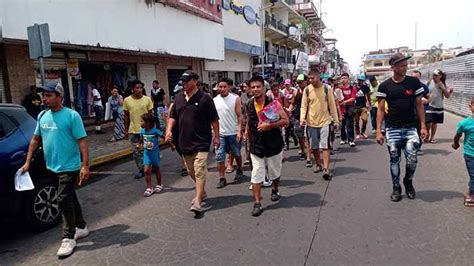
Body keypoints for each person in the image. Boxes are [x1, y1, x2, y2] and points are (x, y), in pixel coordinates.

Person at [20, 82, 90, 258]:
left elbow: (82, 141)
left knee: (62, 199)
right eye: (43, 95)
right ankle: (81, 226)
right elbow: (35, 140)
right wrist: (27, 161)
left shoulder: (72, 116)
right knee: (69, 197)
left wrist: (85, 165)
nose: (44, 98)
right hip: (51, 166)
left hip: (70, 166)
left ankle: (68, 237)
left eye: (49, 95)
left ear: (60, 97)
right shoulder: (42, 116)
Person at [165, 70, 220, 215]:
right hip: (183, 141)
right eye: (182, 81)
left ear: (195, 81)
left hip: (201, 141)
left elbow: (214, 119)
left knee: (199, 169)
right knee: (191, 171)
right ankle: (202, 192)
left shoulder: (205, 98)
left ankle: (197, 200)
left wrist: (217, 136)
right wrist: (168, 131)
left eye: (187, 81)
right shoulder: (178, 98)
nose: (184, 84)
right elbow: (172, 117)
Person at [376, 53, 428, 202]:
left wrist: (423, 126)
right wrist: (379, 131)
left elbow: (419, 105)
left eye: (406, 65)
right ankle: (396, 187)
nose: (405, 67)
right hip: (392, 129)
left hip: (411, 128)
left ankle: (408, 181)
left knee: (412, 159)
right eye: (402, 65)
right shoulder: (385, 86)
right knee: (394, 160)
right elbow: (380, 110)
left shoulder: (414, 83)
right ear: (393, 67)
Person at [246, 75, 288, 217]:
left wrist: (269, 126)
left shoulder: (274, 104)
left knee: (274, 172)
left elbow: (285, 120)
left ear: (264, 88)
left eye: (258, 86)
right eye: (253, 87)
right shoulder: (249, 104)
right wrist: (246, 136)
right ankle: (257, 203)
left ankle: (275, 190)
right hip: (256, 145)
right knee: (256, 174)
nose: (256, 89)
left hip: (273, 144)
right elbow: (248, 123)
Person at [300, 69, 339, 180]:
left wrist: (336, 121)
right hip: (311, 122)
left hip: (325, 122)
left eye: (312, 78)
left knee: (325, 146)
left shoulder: (328, 89)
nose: (310, 80)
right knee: (314, 146)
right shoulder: (307, 90)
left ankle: (326, 168)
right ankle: (318, 164)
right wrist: (302, 118)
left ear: (318, 77)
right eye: (309, 78)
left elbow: (332, 106)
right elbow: (304, 106)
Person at [213, 77, 244, 189]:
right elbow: (213, 119)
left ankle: (240, 169)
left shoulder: (235, 98)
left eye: (224, 86)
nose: (222, 89)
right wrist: (214, 134)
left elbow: (240, 116)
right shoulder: (214, 100)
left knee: (236, 153)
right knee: (219, 156)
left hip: (233, 132)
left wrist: (239, 131)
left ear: (229, 87)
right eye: (220, 87)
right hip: (220, 134)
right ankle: (222, 178)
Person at [123, 80, 154, 179]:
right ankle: (141, 169)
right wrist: (126, 130)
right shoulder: (127, 100)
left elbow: (150, 115)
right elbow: (126, 116)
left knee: (148, 149)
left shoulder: (147, 100)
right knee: (136, 151)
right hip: (134, 131)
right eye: (137, 88)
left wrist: (152, 129)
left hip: (146, 131)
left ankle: (150, 166)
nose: (139, 90)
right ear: (132, 89)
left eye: (141, 88)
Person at [452, 98, 474, 206]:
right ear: (470, 107)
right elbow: (458, 135)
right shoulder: (464, 123)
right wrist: (456, 143)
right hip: (470, 154)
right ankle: (471, 195)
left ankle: (470, 192)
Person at [140, 113, 164, 197]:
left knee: (156, 169)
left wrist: (172, 145)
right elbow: (141, 139)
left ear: (148, 123)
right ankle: (149, 187)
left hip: (154, 153)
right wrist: (140, 144)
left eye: (142, 121)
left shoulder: (155, 131)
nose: (140, 123)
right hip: (146, 153)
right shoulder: (142, 131)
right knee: (146, 170)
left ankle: (159, 184)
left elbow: (164, 137)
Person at [426, 69, 452, 143]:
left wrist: (443, 89)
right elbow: (425, 91)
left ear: (440, 76)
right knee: (428, 122)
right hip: (429, 105)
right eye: (433, 75)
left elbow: (447, 96)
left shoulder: (442, 84)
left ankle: (432, 137)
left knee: (434, 122)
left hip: (438, 105)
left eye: (436, 75)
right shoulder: (429, 82)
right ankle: (427, 134)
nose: (434, 77)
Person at [411, 70, 430, 155]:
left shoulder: (424, 87)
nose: (415, 79)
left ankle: (418, 147)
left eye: (416, 77)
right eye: (413, 77)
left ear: (419, 77)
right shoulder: (407, 86)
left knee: (420, 130)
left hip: (420, 112)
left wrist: (427, 100)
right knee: (411, 131)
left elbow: (429, 98)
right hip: (410, 112)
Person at [294, 74, 311, 163]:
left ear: (306, 82)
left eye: (301, 82)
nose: (299, 84)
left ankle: (308, 157)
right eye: (298, 83)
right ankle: (302, 150)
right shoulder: (297, 91)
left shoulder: (310, 91)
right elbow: (293, 103)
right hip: (298, 117)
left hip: (309, 117)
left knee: (307, 136)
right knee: (300, 135)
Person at [339, 73, 357, 147]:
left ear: (348, 79)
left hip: (350, 108)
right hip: (341, 108)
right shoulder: (339, 89)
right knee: (342, 125)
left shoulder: (352, 88)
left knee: (350, 124)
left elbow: (353, 98)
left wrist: (345, 102)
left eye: (345, 78)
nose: (343, 80)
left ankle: (351, 140)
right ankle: (343, 138)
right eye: (342, 78)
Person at [282, 79, 298, 150]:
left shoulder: (294, 91)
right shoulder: (282, 92)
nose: (287, 86)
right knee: (286, 129)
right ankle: (286, 144)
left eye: (288, 84)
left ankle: (294, 137)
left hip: (293, 111)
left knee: (292, 128)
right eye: (286, 84)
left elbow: (296, 100)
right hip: (285, 111)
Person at [354, 75, 371, 139]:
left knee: (365, 119)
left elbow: (368, 96)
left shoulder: (365, 87)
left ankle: (363, 132)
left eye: (362, 81)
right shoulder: (354, 87)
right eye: (360, 80)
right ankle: (357, 133)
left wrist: (369, 104)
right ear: (358, 80)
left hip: (363, 106)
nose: (361, 82)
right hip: (355, 106)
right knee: (356, 121)